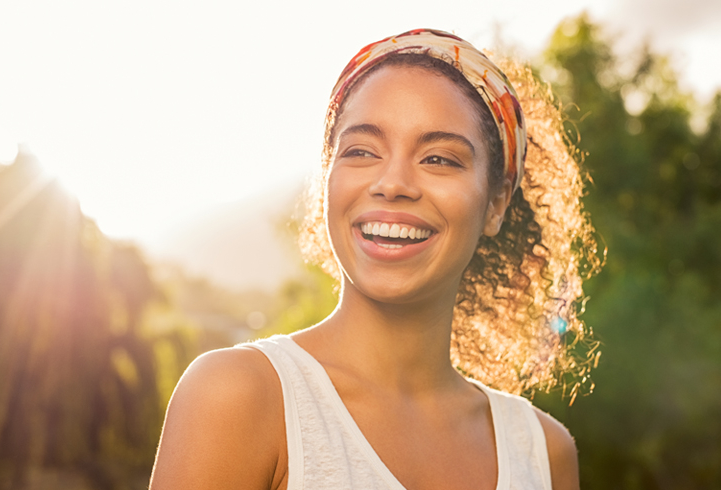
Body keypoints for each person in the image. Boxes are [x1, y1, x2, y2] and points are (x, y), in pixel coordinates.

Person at [149, 28, 599, 490]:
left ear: (496, 204)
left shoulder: (544, 454)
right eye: (361, 151)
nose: (393, 183)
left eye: (439, 159)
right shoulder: (238, 396)